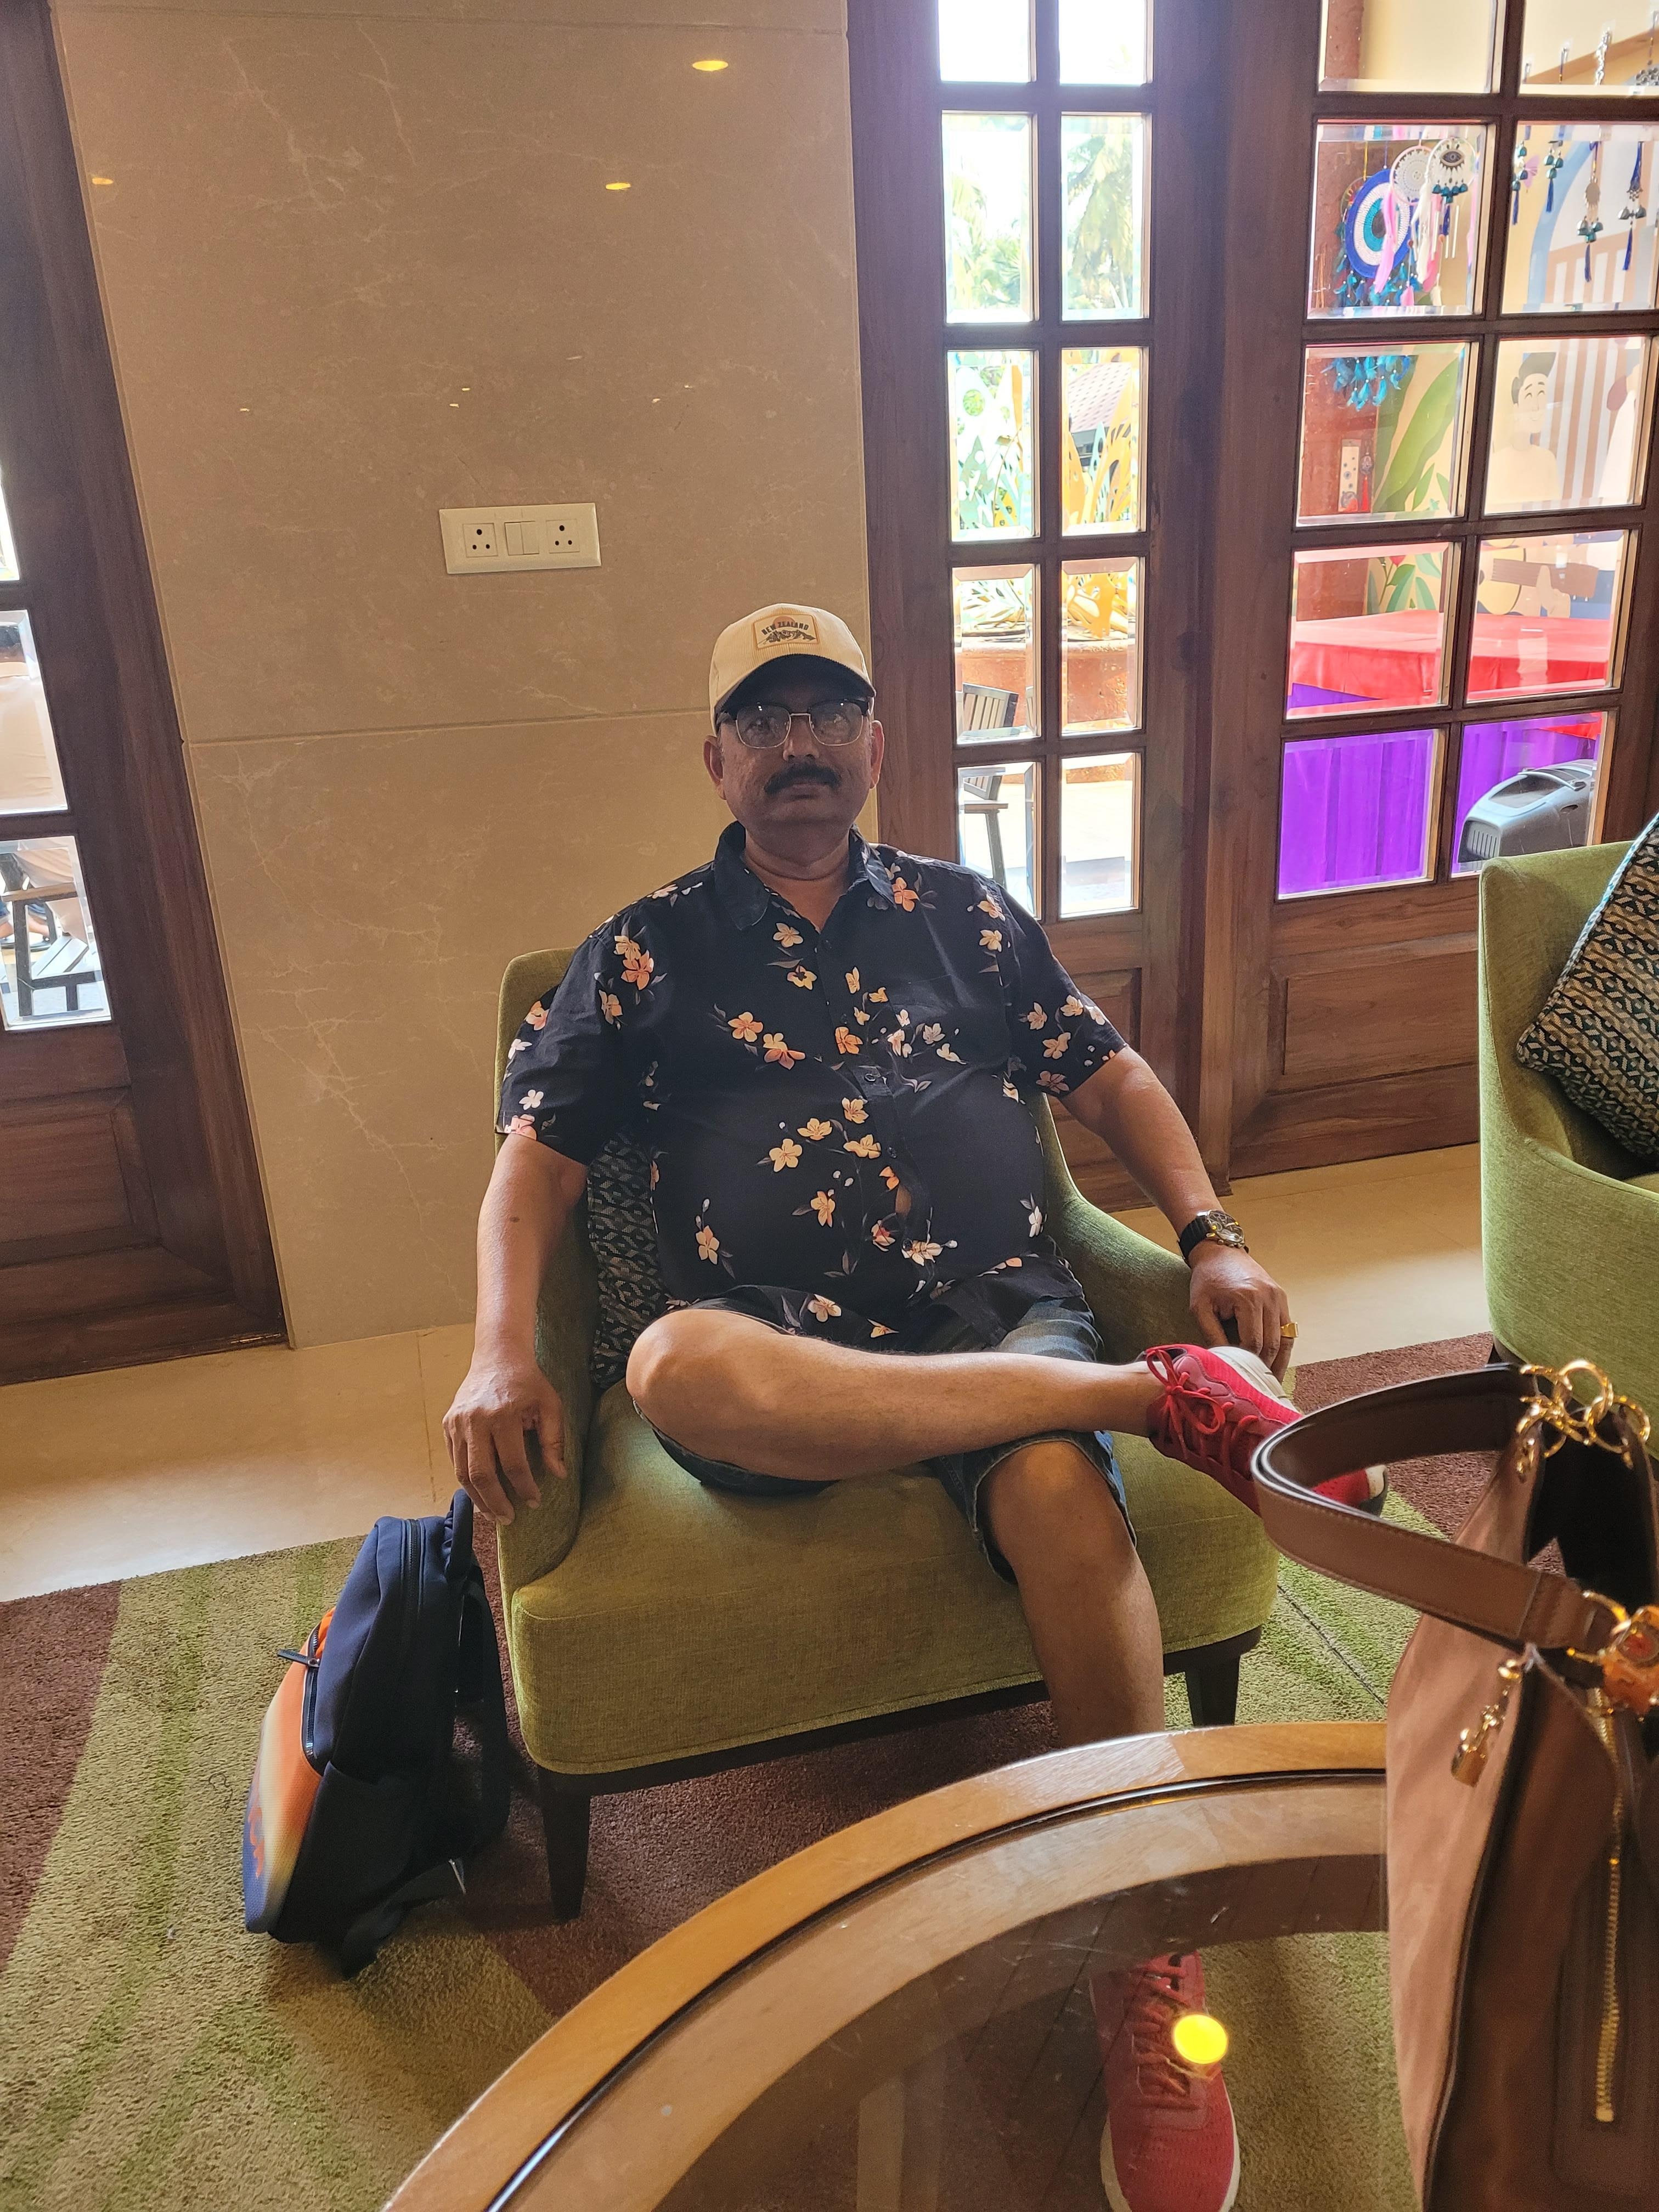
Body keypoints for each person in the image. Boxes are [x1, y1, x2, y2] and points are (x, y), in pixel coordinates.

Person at [447, 603, 1380, 2212]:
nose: (799, 747)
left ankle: (1144, 1945)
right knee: (669, 1367)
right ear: (717, 760)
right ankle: (1156, 1400)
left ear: (876, 745)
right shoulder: (646, 949)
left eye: (828, 715)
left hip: (993, 1303)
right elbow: (536, 1159)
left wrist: (1212, 1231)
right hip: (775, 1335)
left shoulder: (971, 915)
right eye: (764, 721)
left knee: (1060, 1499)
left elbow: (1109, 1074)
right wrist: (496, 1349)